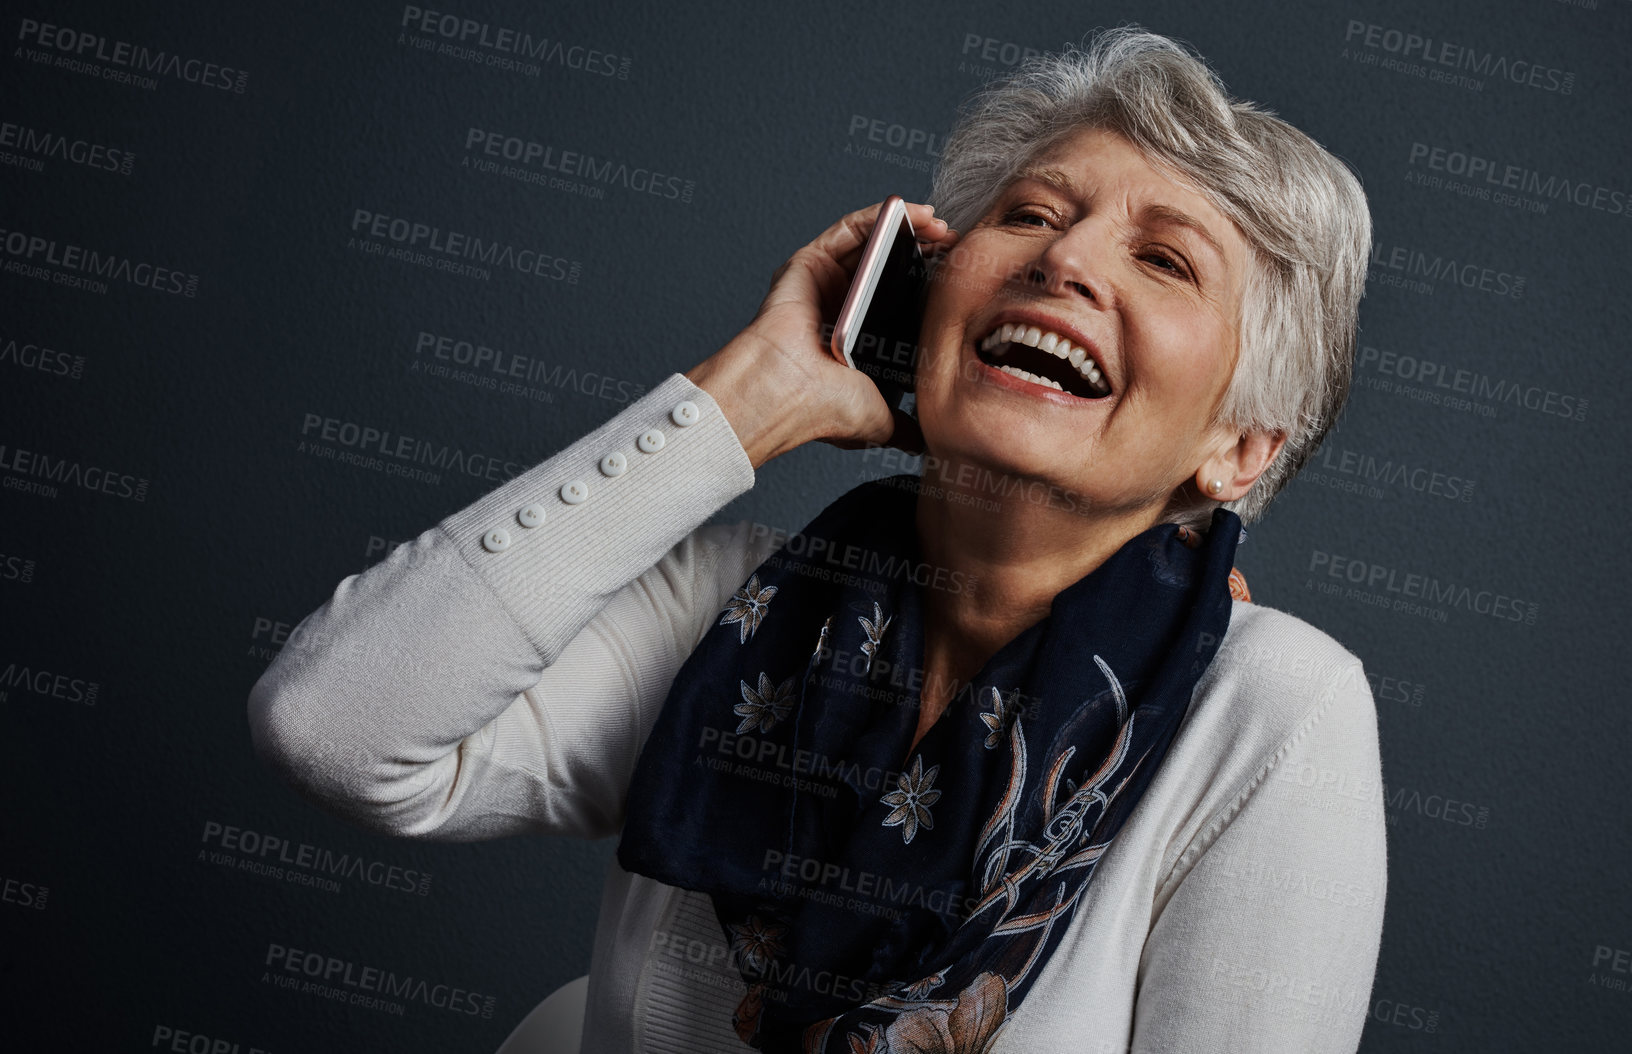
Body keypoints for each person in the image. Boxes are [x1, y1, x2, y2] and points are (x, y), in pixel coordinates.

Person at [250, 26, 1384, 1054]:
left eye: (1163, 259)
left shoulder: (1271, 715)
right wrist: (745, 401)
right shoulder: (728, 604)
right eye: (1031, 214)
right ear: (924, 293)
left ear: (1238, 447)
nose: (1063, 261)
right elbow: (333, 729)